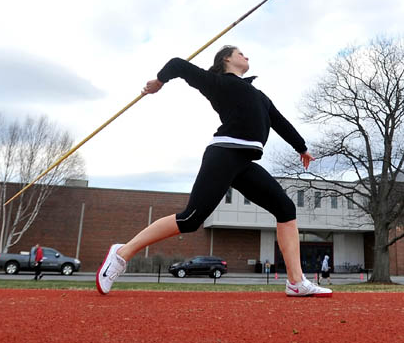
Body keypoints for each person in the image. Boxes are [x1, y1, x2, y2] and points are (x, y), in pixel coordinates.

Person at [96, 45, 332, 297]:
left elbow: (279, 121)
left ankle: (296, 282)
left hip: (245, 162)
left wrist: (301, 147)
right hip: (223, 153)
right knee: (190, 219)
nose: (246, 56)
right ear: (226, 59)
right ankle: (121, 253)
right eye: (240, 53)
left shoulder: (259, 95)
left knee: (285, 209)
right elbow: (177, 64)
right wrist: (159, 82)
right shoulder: (217, 83)